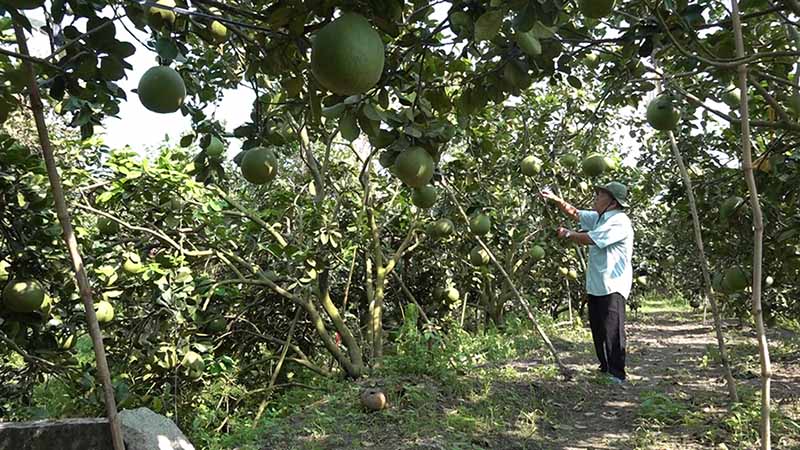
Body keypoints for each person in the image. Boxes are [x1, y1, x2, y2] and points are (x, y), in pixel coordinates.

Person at [541, 181, 634, 384]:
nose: (596, 198)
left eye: (600, 195)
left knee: (613, 331)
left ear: (612, 202)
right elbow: (575, 213)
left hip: (612, 285)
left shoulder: (619, 221)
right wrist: (555, 199)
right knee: (599, 329)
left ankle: (617, 374)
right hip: (597, 284)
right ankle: (605, 368)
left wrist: (568, 234)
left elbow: (590, 239)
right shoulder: (600, 218)